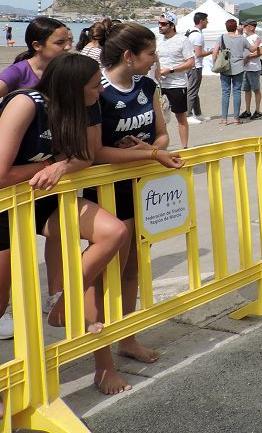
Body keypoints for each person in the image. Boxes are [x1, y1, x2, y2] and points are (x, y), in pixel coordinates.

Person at [0, 54, 131, 404]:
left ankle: (64, 300)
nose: (101, 92)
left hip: (43, 197)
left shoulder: (85, 105)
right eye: (95, 86)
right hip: (0, 204)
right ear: (71, 88)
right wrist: (54, 164)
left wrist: (63, 166)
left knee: (113, 232)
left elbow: (86, 157)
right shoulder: (25, 104)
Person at [86, 23, 185, 382]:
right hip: (104, 190)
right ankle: (100, 359)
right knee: (99, 276)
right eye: (150, 54)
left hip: (140, 186)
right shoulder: (99, 90)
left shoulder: (147, 85)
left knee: (132, 269)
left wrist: (148, 151)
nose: (154, 59)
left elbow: (162, 134)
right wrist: (150, 154)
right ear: (129, 56)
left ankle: (127, 337)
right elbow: (95, 153)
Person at [0, 17, 72, 107]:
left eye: (68, 41)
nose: (67, 47)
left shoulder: (66, 71)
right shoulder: (17, 72)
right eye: (60, 42)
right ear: (37, 45)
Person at [155, 12, 195, 148]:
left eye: (164, 24)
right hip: (160, 85)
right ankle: (163, 147)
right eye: (159, 23)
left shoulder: (183, 40)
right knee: (161, 119)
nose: (160, 26)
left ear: (172, 25)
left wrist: (170, 70)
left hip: (177, 84)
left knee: (180, 116)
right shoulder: (158, 41)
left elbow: (190, 63)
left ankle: (184, 147)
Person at [212, 19, 250, 125]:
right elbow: (251, 49)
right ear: (236, 27)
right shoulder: (242, 38)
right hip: (239, 67)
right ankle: (236, 118)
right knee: (237, 92)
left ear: (226, 27)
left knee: (225, 92)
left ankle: (224, 118)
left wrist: (215, 63)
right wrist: (256, 43)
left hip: (225, 67)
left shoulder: (221, 37)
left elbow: (215, 52)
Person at [184, 11, 209, 123]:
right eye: (206, 20)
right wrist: (211, 52)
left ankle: (197, 113)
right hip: (195, 66)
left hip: (190, 65)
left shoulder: (190, 31)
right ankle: (188, 115)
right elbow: (198, 54)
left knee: (194, 90)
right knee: (192, 91)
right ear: (201, 21)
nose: (207, 22)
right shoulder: (198, 35)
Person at [239, 21, 262, 120]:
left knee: (256, 89)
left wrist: (248, 57)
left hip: (254, 67)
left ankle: (258, 110)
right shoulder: (245, 37)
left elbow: (261, 52)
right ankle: (248, 110)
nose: (244, 27)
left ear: (250, 27)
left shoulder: (255, 37)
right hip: (245, 67)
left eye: (245, 26)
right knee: (246, 89)